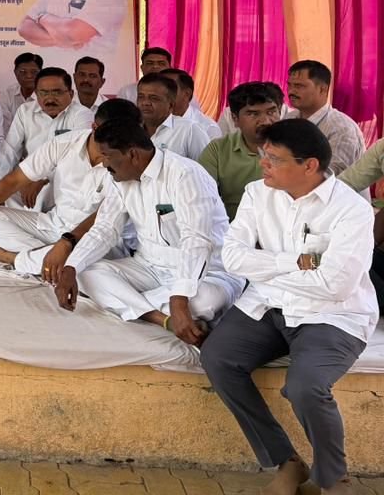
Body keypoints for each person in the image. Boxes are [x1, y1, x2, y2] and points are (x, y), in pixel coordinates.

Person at [201, 119, 376, 495]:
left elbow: (335, 285)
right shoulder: (256, 193)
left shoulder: (351, 210)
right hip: (266, 305)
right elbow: (233, 258)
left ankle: (333, 478)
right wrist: (295, 262)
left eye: (274, 158)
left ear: (309, 165)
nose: (263, 164)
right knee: (217, 358)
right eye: (263, 155)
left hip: (331, 314)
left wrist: (265, 268)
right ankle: (287, 461)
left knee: (305, 387)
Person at [52, 117, 242, 345]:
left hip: (207, 272)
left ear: (133, 154)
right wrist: (71, 268)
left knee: (207, 300)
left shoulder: (185, 174)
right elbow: (104, 229)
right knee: (85, 274)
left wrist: (179, 298)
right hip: (147, 266)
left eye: (107, 156)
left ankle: (128, 303)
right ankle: (162, 319)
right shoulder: (119, 178)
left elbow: (197, 241)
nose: (103, 164)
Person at [0, 98, 144, 278]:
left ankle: (12, 257)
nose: (120, 143)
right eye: (113, 136)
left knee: (93, 266)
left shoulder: (130, 160)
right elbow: (14, 181)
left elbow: (105, 220)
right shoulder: (65, 143)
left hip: (93, 238)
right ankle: (48, 258)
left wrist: (67, 242)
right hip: (54, 224)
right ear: (94, 128)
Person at [0, 68, 94, 188]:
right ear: (36, 93)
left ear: (71, 94)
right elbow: (9, 151)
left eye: (57, 93)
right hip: (29, 180)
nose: (50, 99)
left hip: (65, 183)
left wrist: (45, 180)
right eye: (43, 93)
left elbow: (76, 158)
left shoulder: (82, 115)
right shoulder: (25, 111)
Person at [198, 82, 285, 218]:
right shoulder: (218, 150)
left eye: (271, 112)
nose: (266, 121)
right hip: (232, 227)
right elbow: (202, 199)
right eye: (253, 114)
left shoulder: (298, 148)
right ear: (235, 119)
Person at [286, 60, 365, 177]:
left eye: (299, 86)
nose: (291, 91)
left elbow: (329, 176)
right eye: (289, 85)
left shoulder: (341, 128)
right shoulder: (288, 119)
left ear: (322, 89)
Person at [137, 73, 210, 161]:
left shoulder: (190, 130)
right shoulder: (131, 129)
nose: (145, 103)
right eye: (141, 97)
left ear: (171, 105)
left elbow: (205, 167)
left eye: (154, 98)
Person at [160, 68, 222, 141]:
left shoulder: (208, 128)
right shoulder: (151, 120)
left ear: (187, 94)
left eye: (169, 88)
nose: (160, 94)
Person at [0, 52, 42, 135]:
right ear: (15, 73)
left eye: (34, 72)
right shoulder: (7, 94)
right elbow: (5, 126)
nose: (29, 76)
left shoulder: (47, 95)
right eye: (23, 71)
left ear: (40, 73)